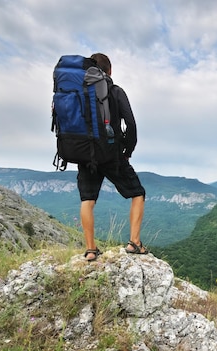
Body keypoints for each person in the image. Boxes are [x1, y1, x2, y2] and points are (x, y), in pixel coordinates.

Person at [79, 53, 148, 261]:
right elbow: (132, 124)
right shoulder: (115, 91)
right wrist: (127, 151)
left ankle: (91, 250)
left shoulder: (78, 93)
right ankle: (134, 243)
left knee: (87, 199)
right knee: (138, 193)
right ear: (109, 71)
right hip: (111, 153)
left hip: (84, 154)